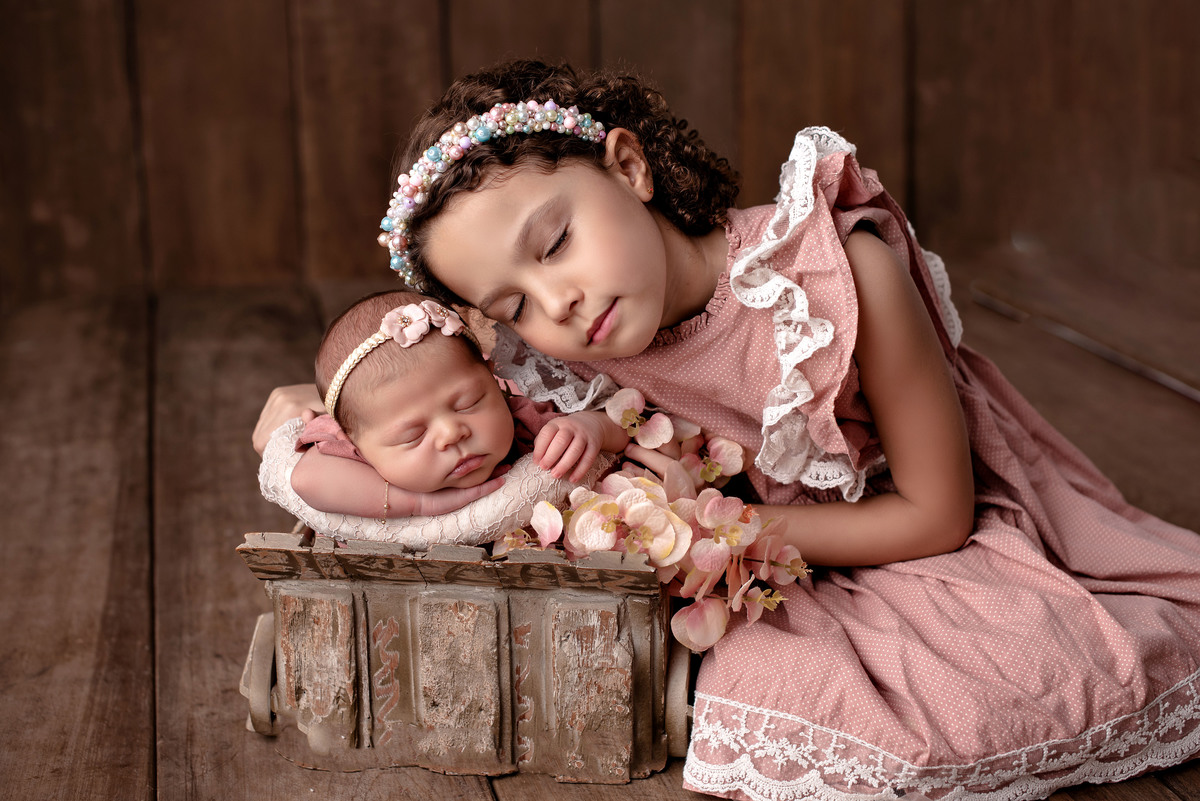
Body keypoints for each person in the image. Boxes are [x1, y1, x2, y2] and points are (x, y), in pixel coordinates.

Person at [253, 60, 1200, 800]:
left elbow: (938, 513)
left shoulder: (828, 275)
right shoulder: (562, 352)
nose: (560, 301)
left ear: (628, 168)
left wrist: (717, 536)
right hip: (753, 568)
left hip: (893, 535)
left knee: (1021, 673)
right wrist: (312, 398)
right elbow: (404, 380)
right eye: (514, 303)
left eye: (556, 243)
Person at [256, 289, 627, 545]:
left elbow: (622, 432)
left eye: (468, 403)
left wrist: (591, 426)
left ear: (495, 380)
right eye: (412, 435)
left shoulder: (526, 423)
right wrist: (418, 504)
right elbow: (304, 480)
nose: (452, 433)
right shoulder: (354, 459)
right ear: (354, 442)